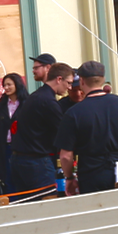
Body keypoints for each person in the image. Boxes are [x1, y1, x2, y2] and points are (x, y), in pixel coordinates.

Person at [55, 61, 118, 194]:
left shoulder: (74, 112)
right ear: (103, 80)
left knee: (95, 211)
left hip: (91, 172)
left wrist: (69, 178)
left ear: (81, 81)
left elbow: (65, 156)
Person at [9, 62, 73, 201]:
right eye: (68, 83)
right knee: (48, 206)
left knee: (27, 206)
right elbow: (63, 133)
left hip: (18, 160)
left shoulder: (35, 96)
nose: (70, 87)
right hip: (36, 162)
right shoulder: (49, 102)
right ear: (59, 79)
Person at [0, 72, 28, 195]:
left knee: (22, 178)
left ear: (17, 84)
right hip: (5, 147)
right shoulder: (2, 104)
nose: (6, 88)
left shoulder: (26, 102)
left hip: (22, 148)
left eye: (9, 84)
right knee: (7, 179)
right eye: (4, 85)